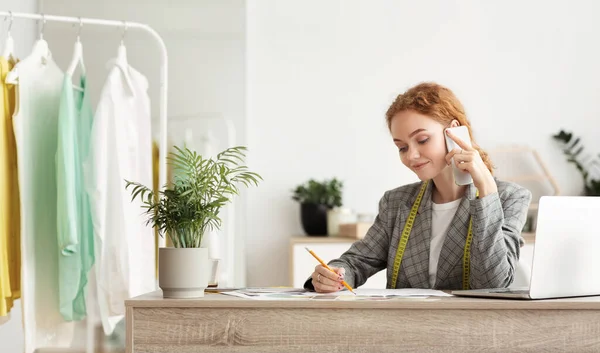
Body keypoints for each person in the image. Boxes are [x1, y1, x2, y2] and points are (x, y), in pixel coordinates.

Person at [305, 82, 532, 292]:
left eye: (422, 140)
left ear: (454, 131)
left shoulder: (509, 198)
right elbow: (357, 261)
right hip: (406, 330)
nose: (411, 156)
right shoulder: (397, 202)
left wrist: (486, 191)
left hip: (470, 332)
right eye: (402, 147)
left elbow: (492, 282)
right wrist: (333, 274)